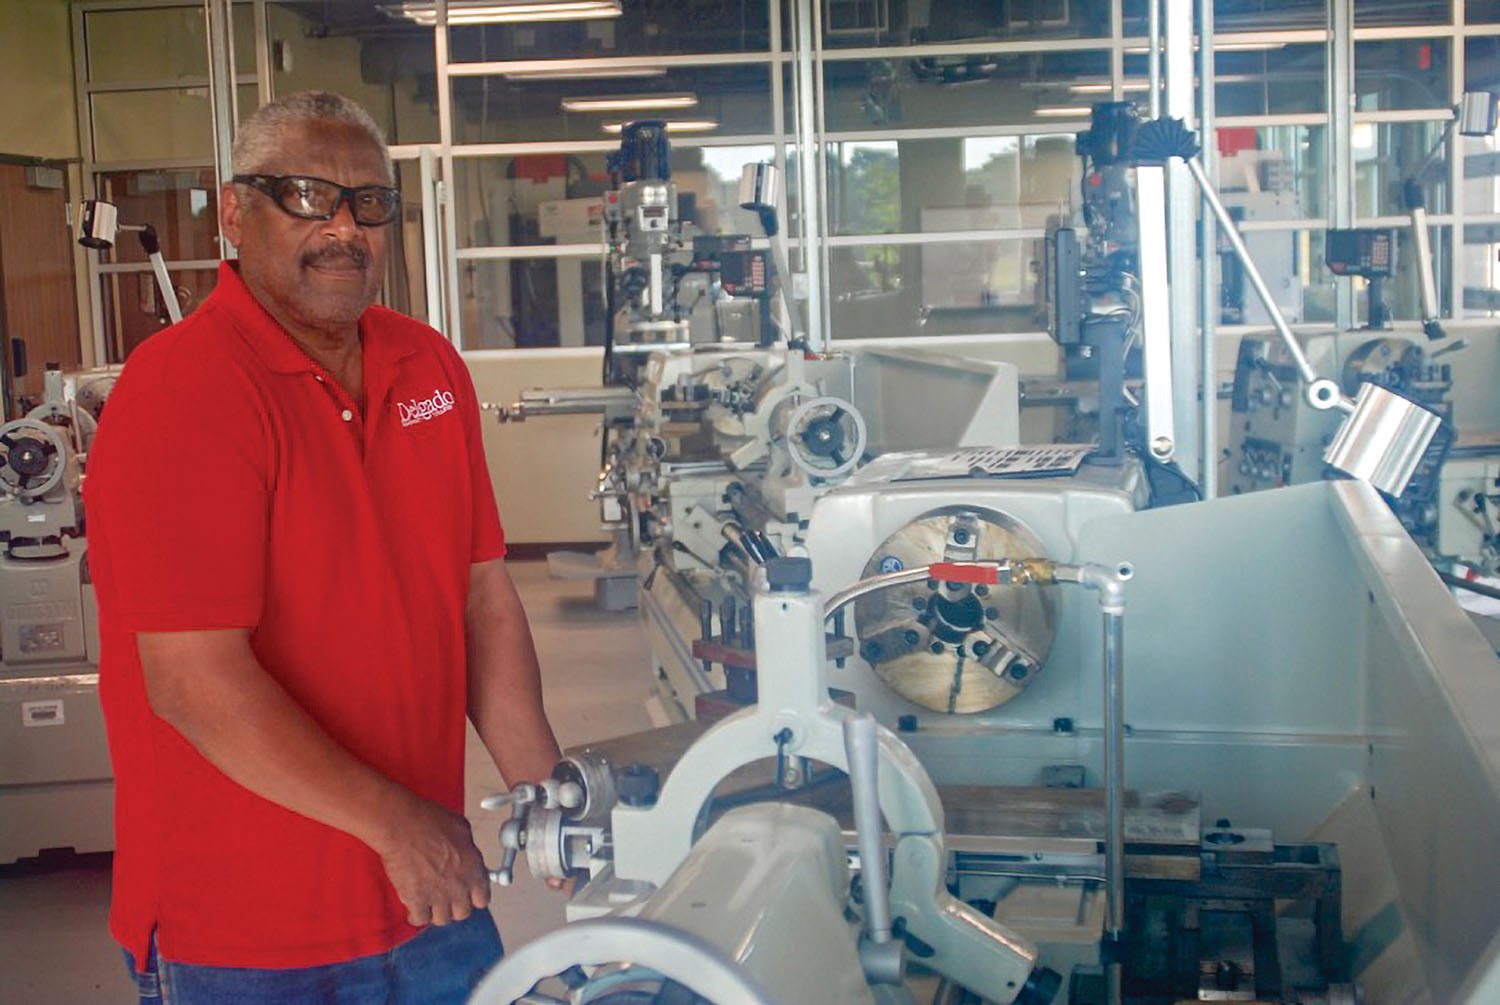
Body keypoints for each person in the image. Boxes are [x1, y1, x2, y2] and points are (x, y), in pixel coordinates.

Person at [85, 91, 562, 1003]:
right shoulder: (183, 393)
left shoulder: (429, 368)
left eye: (369, 203)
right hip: (246, 933)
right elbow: (193, 681)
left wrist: (548, 791)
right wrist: (400, 827)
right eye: (307, 196)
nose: (343, 227)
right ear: (234, 212)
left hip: (431, 903)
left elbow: (481, 602)